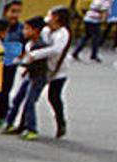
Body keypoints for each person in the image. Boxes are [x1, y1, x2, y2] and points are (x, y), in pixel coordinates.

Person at [3, 16, 49, 140]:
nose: (24, 31)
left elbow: (31, 61)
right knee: (18, 99)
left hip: (37, 78)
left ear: (36, 30)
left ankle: (31, 128)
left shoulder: (39, 45)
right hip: (30, 75)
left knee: (30, 102)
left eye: (27, 29)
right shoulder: (29, 44)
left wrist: (18, 62)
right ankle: (12, 123)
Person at [37, 6, 72, 138]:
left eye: (50, 15)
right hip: (43, 68)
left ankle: (60, 121)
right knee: (29, 95)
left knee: (54, 97)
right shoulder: (46, 31)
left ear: (56, 18)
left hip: (58, 70)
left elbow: (56, 49)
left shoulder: (63, 33)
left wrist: (36, 54)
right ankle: (24, 122)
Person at [0, 1, 23, 130]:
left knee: (4, 91)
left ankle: (3, 117)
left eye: (18, 11)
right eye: (13, 11)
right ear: (5, 12)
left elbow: (25, 45)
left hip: (9, 65)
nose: (15, 15)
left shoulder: (20, 28)